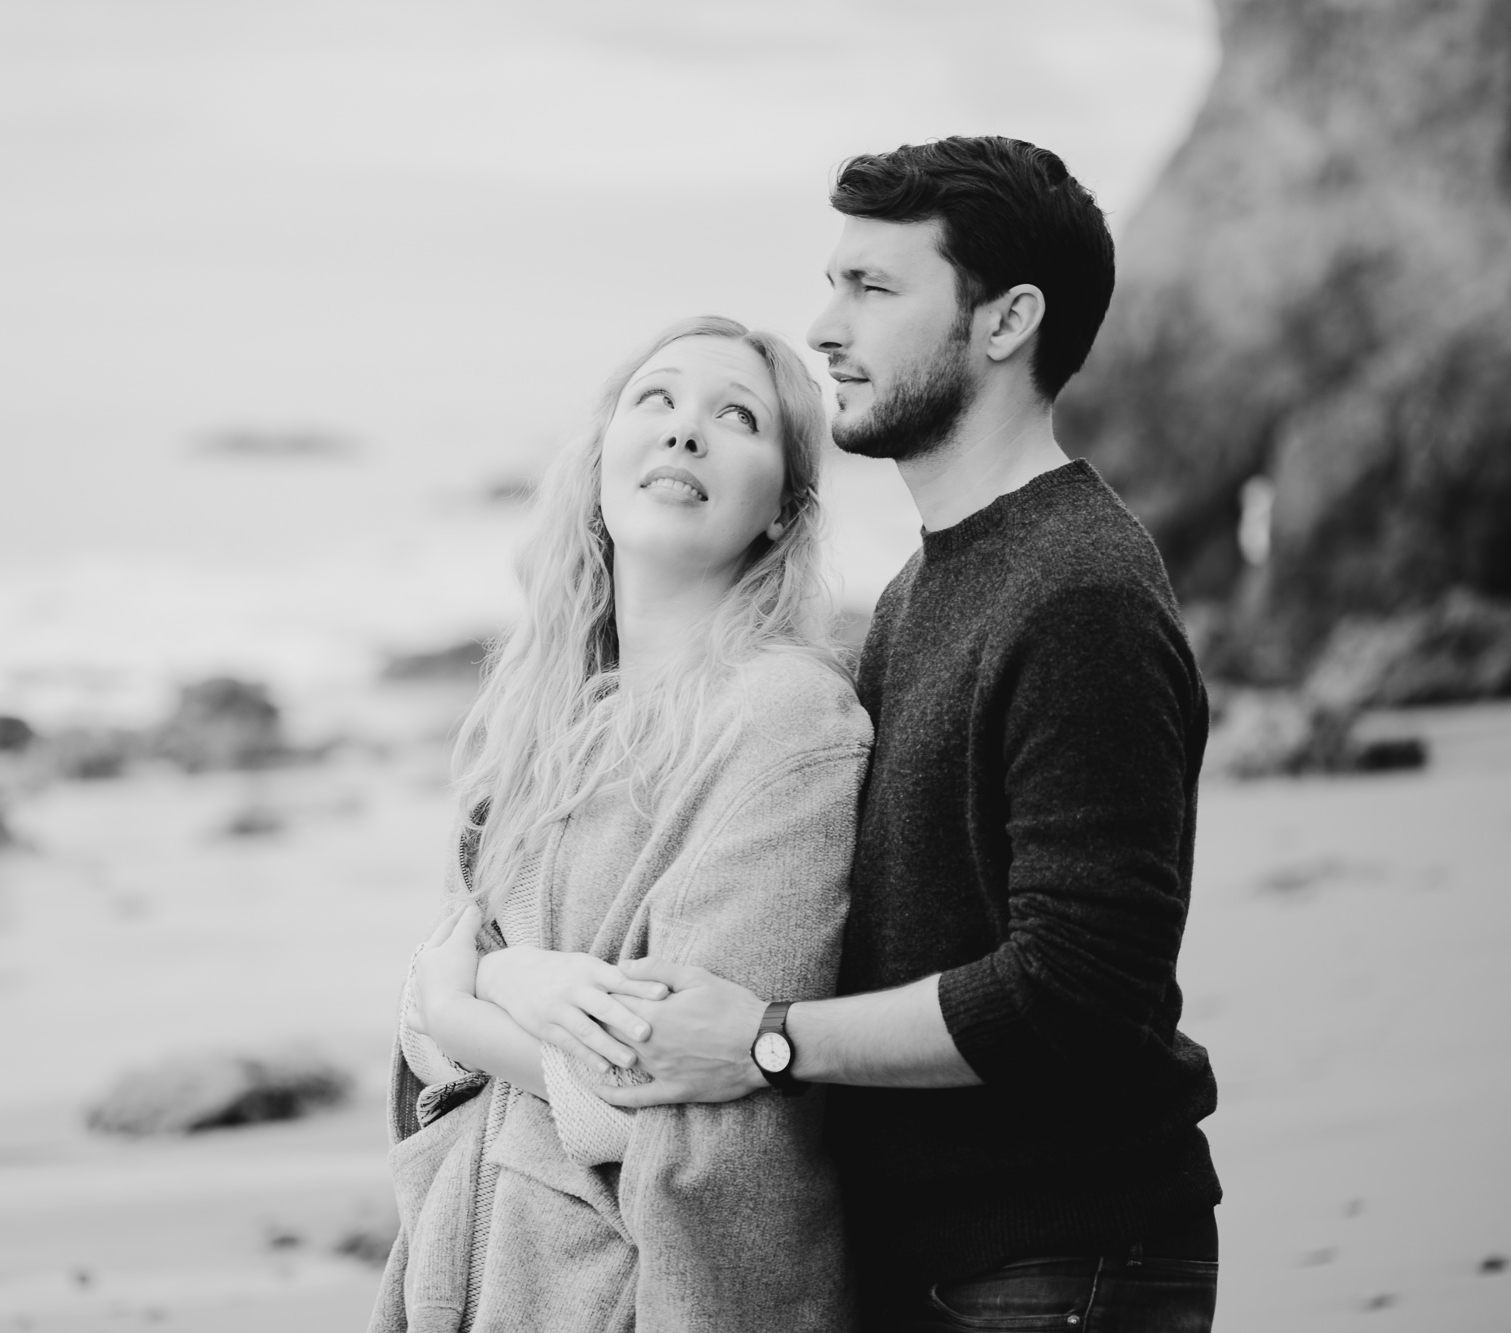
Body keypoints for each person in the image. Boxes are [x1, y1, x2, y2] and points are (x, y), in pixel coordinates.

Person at [480, 138, 1223, 1330]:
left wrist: (768, 1044)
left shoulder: (1077, 590)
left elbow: (1082, 991)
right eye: (831, 284)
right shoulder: (924, 591)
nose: (824, 330)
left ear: (1005, 321)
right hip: (933, 1259)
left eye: (872, 289)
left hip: (1056, 1262)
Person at [372, 315, 874, 1333]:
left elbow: (703, 1089)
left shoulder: (783, 720)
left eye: (735, 416)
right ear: (601, 457)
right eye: (656, 399)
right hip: (463, 1272)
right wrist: (512, 982)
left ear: (783, 510)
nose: (684, 431)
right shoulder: (539, 722)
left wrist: (479, 1011)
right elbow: (419, 1017)